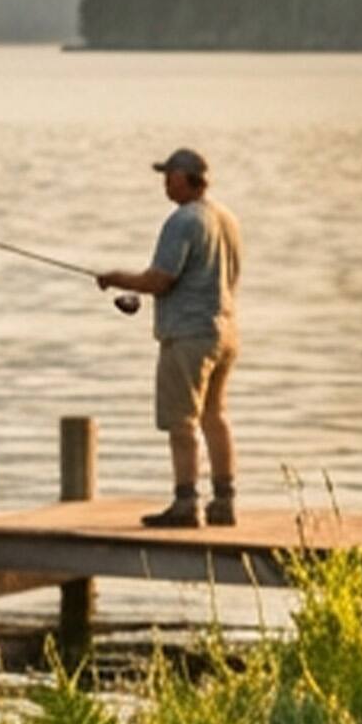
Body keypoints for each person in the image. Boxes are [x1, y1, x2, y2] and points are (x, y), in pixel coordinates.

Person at [95, 146, 242, 529]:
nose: (164, 182)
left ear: (185, 178)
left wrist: (114, 278)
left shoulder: (183, 221)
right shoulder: (227, 219)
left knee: (182, 422)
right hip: (223, 332)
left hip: (188, 336)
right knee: (216, 416)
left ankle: (186, 503)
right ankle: (224, 502)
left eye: (168, 175)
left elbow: (160, 279)